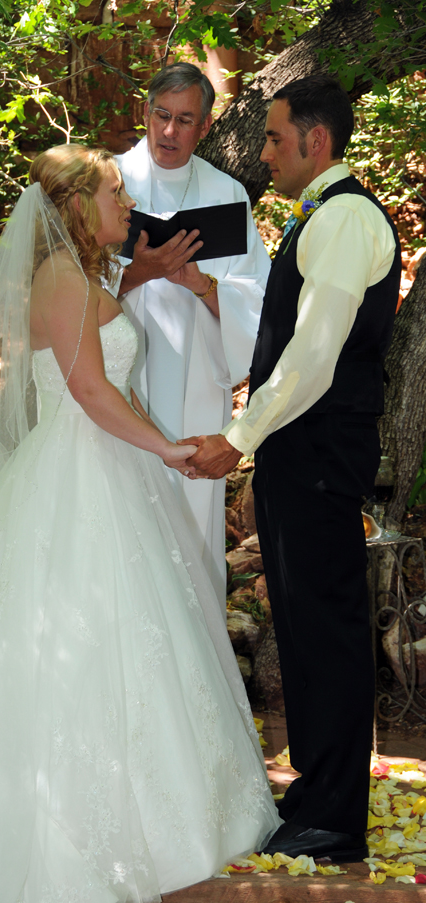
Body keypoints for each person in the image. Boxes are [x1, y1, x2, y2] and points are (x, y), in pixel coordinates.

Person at [0, 144, 279, 903]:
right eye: (114, 193)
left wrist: (139, 292)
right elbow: (92, 394)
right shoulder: (62, 279)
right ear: (76, 205)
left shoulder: (84, 274)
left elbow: (103, 374)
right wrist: (168, 448)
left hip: (106, 467)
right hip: (80, 468)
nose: (127, 204)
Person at [184, 75, 402, 861]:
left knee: (328, 626)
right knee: (304, 625)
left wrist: (238, 436)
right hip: (298, 450)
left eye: (275, 138)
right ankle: (316, 790)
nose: (266, 153)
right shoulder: (320, 215)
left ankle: (336, 819)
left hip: (320, 450)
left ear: (316, 140)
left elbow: (314, 354)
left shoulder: (344, 219)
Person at [115, 63, 271, 612]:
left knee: (188, 516)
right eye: (161, 115)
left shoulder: (226, 194)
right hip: (119, 374)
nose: (169, 131)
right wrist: (139, 272)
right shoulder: (108, 183)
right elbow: (67, 286)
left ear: (205, 126)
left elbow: (258, 299)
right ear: (145, 111)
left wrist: (202, 285)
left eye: (185, 120)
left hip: (197, 381)